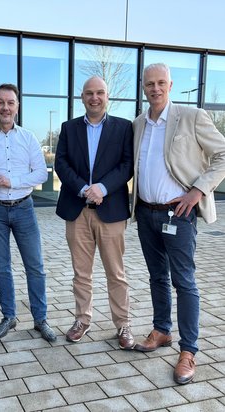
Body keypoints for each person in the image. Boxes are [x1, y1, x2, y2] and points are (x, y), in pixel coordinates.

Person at [132, 63, 225, 384]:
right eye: (149, 84)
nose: (155, 88)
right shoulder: (138, 124)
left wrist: (198, 190)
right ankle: (161, 330)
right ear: (143, 87)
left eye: (161, 83)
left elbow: (223, 154)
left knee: (184, 281)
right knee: (157, 276)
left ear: (170, 85)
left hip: (179, 214)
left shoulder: (191, 116)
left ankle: (188, 350)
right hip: (146, 213)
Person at [55, 76, 135, 349]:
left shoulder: (123, 128)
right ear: (82, 97)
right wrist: (83, 188)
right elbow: (61, 164)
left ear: (107, 96)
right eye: (89, 93)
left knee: (116, 272)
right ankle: (82, 319)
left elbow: (127, 165)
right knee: (81, 273)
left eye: (100, 92)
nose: (94, 98)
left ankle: (123, 324)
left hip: (110, 211)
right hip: (77, 210)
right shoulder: (69, 128)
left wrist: (102, 188)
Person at [0, 83, 56, 342]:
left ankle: (40, 319)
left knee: (36, 266)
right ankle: (8, 317)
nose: (5, 107)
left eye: (10, 103)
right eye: (0, 102)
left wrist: (12, 180)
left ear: (17, 107)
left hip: (24, 209)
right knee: (1, 267)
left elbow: (41, 174)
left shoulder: (28, 138)